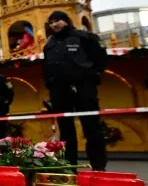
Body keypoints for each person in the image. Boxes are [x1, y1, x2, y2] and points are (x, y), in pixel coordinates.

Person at [44, 10, 108, 170]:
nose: (54, 24)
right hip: (60, 91)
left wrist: (90, 75)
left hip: (83, 88)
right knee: (66, 131)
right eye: (51, 22)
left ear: (66, 21)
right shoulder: (50, 44)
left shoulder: (83, 37)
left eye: (57, 20)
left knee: (92, 128)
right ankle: (69, 165)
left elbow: (101, 58)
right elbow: (47, 67)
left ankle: (98, 166)